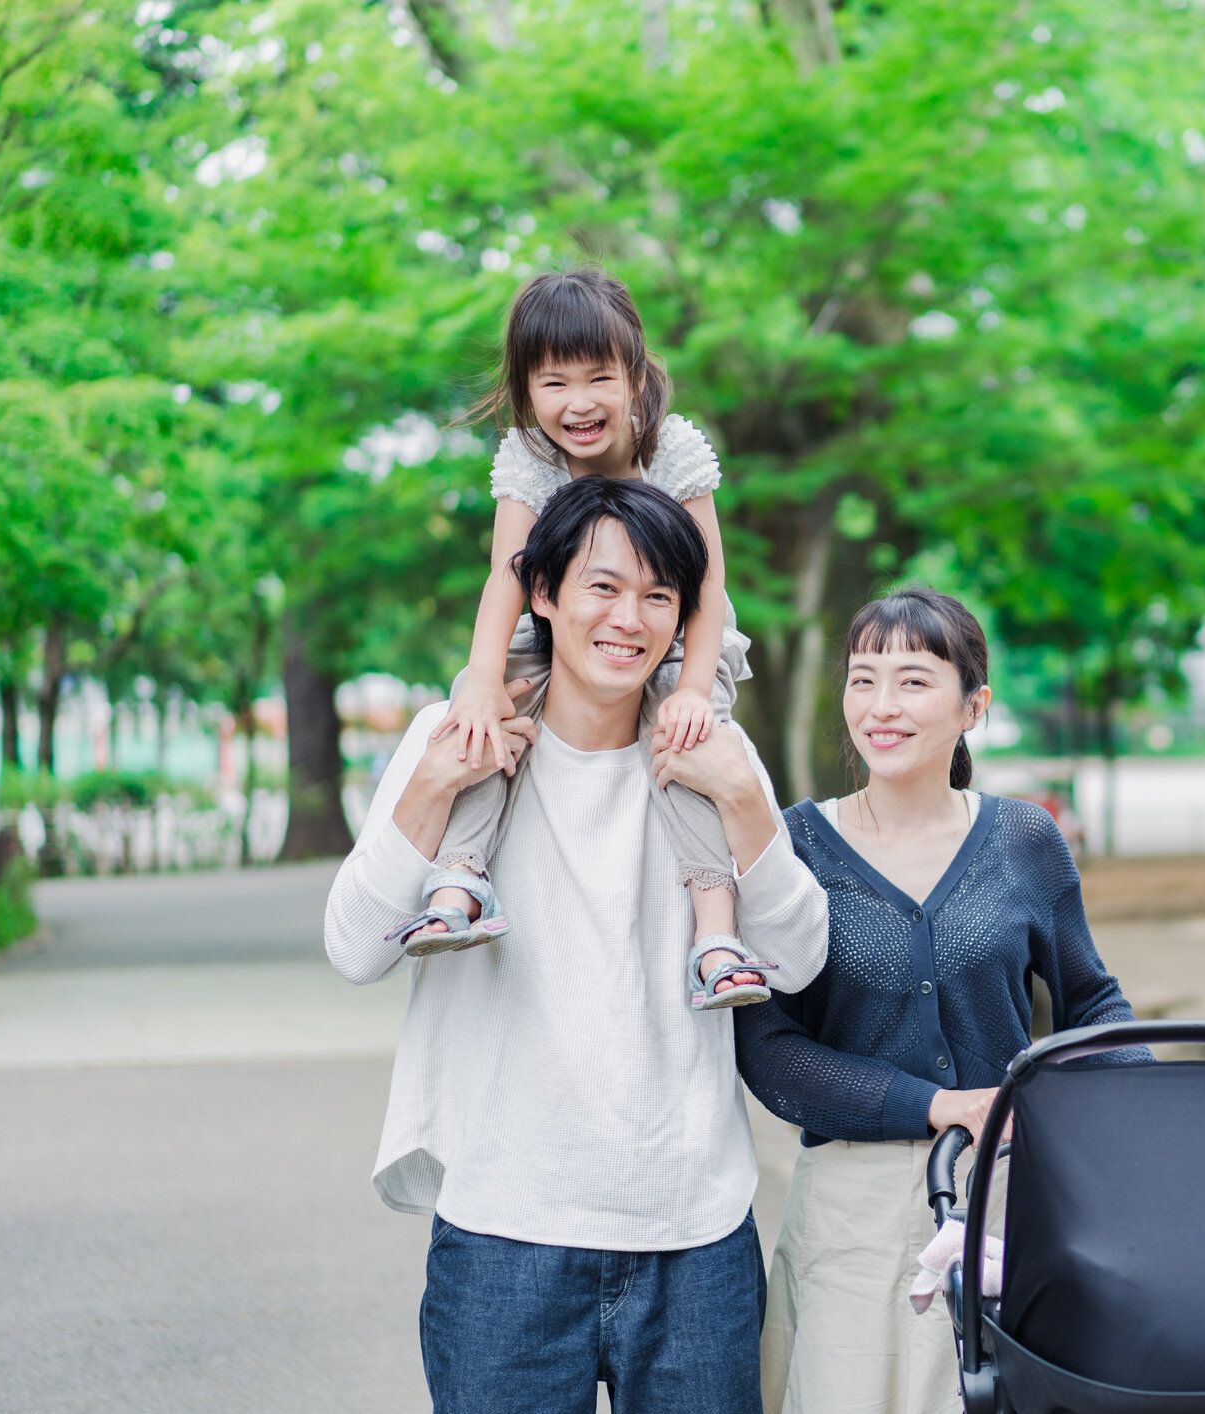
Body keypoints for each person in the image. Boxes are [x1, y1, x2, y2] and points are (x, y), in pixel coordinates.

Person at [323, 477, 829, 1412]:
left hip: (693, 1234)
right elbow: (355, 947)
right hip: (502, 1232)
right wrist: (432, 787)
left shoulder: (712, 747)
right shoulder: (457, 738)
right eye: (601, 587)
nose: (628, 619)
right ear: (543, 593)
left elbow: (795, 961)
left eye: (657, 598)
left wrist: (747, 802)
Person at [736, 587, 1143, 1414]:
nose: (882, 706)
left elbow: (1092, 1002)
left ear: (973, 705)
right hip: (852, 1219)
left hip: (1007, 1198)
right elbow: (769, 1052)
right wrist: (937, 1104)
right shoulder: (792, 847)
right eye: (862, 679)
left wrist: (1131, 1110)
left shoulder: (1025, 840)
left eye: (914, 681)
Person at [391, 264, 768, 1011]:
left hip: (681, 634)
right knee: (490, 718)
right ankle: (459, 877)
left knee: (684, 740)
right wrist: (480, 678)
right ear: (526, 388)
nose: (579, 403)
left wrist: (693, 685)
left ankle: (715, 931)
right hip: (560, 629)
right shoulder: (530, 458)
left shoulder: (673, 449)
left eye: (599, 377)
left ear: (634, 373)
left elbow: (708, 584)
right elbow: (508, 576)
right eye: (553, 383)